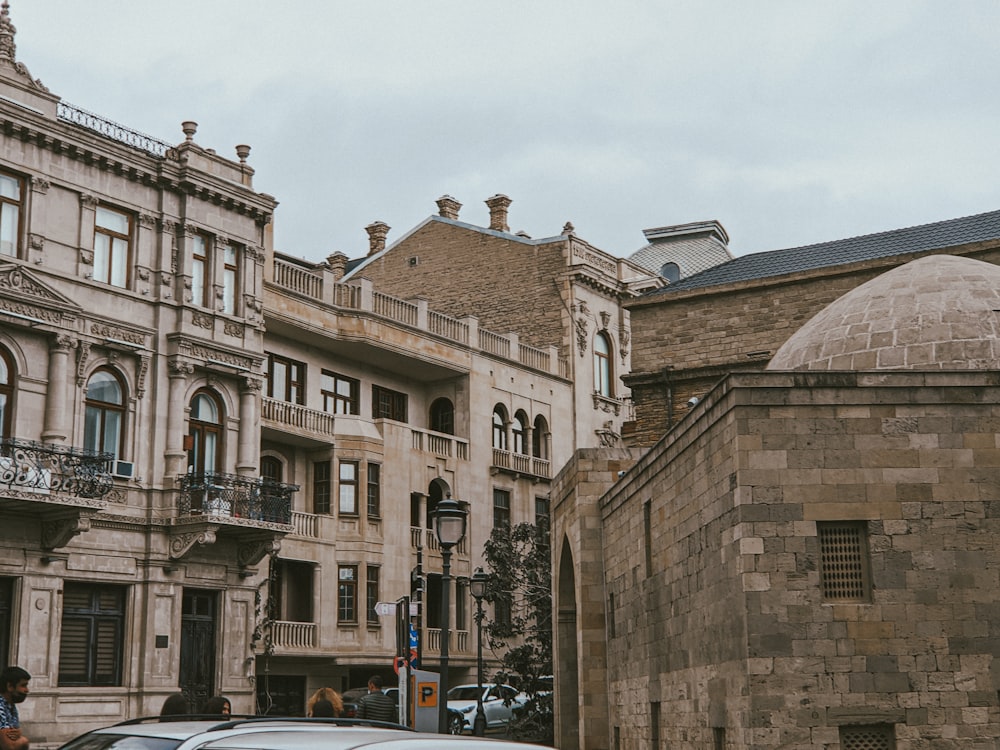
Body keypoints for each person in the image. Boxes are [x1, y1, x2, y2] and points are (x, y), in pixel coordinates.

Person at [0, 666, 30, 750]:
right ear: (9, 686)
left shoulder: (10, 706)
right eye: (23, 685)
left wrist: (19, 734)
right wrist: (24, 740)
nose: (27, 690)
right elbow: (10, 746)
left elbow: (14, 735)